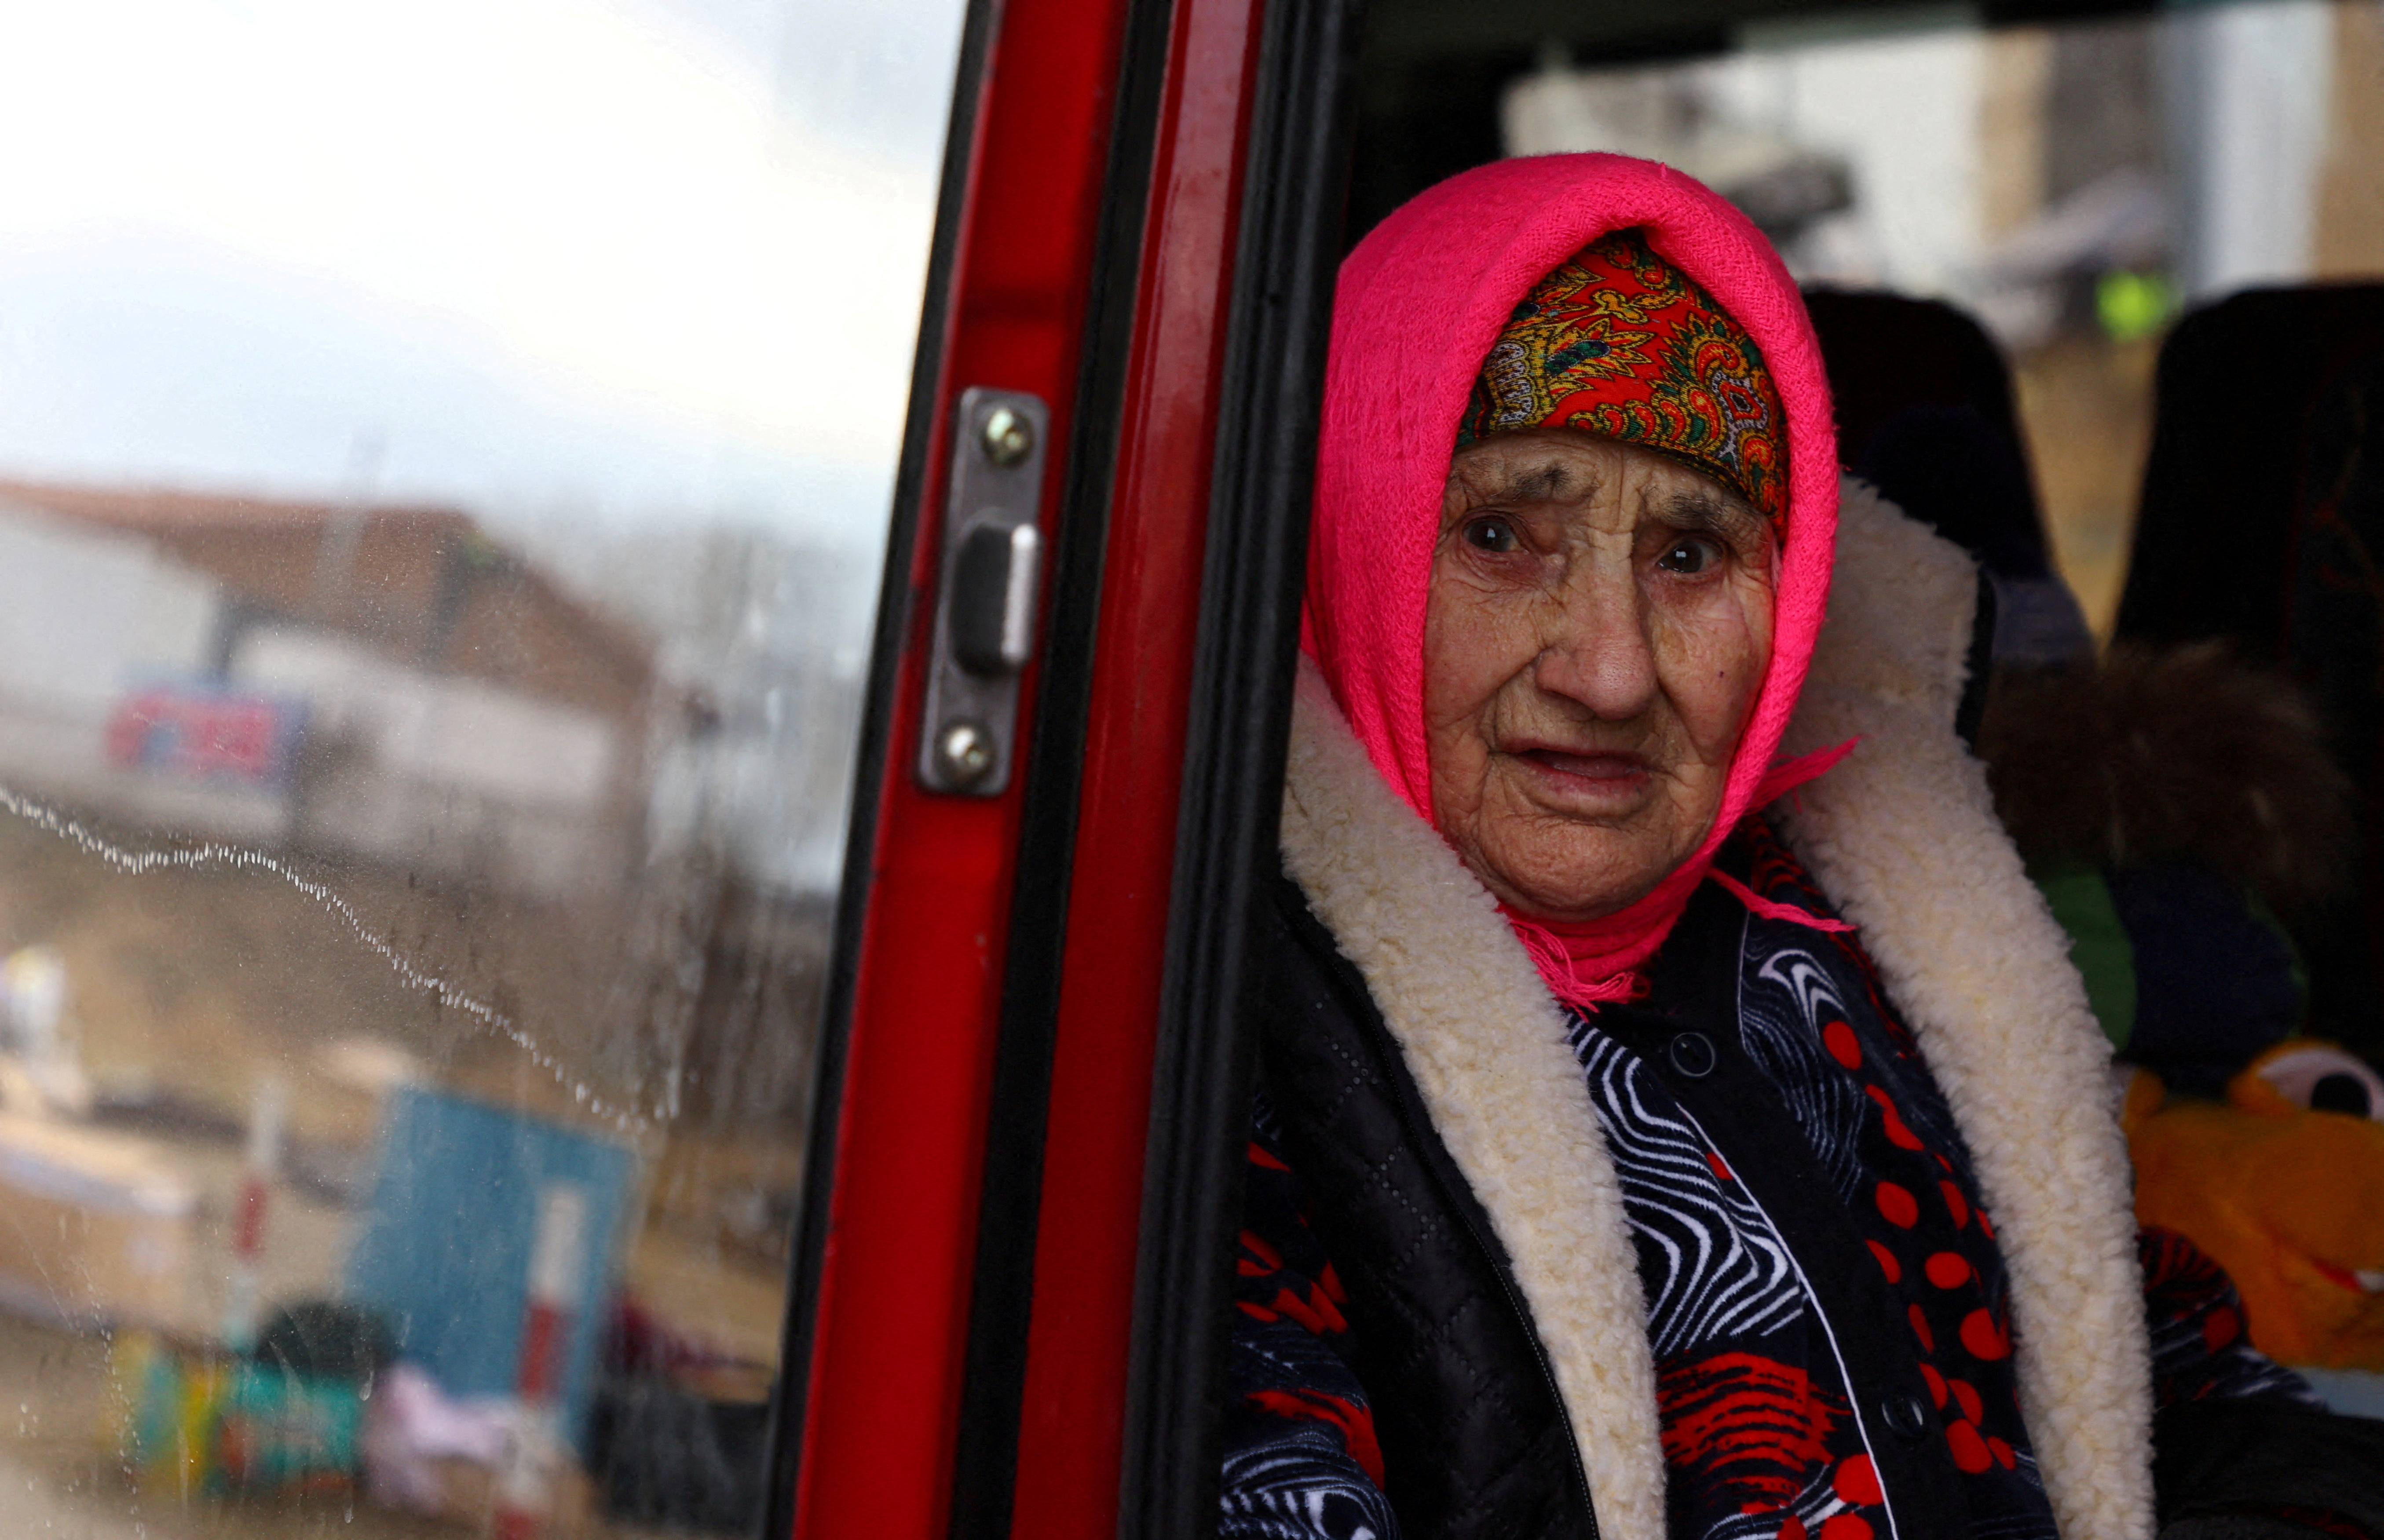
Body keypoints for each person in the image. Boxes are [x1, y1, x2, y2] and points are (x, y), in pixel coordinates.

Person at [1219, 153, 2384, 1540]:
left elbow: (2185, 1381)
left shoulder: (1878, 962)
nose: (1609, 670)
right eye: (1497, 534)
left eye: (1692, 556)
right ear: (1353, 532)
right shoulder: (1232, 1068)